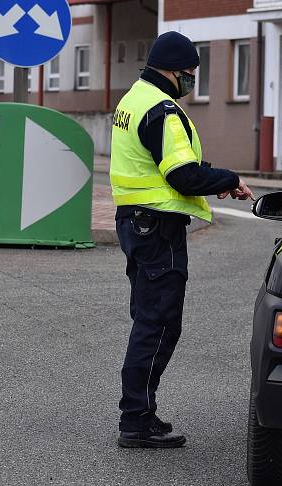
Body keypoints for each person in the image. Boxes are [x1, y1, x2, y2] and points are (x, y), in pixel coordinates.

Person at [110, 31, 254, 449]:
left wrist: (217, 177)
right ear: (173, 71)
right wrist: (228, 178)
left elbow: (174, 163)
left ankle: (140, 413)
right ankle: (135, 420)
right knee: (157, 326)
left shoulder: (133, 99)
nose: (191, 81)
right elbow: (182, 175)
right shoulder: (163, 110)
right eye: (189, 73)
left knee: (149, 321)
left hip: (134, 223)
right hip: (158, 228)